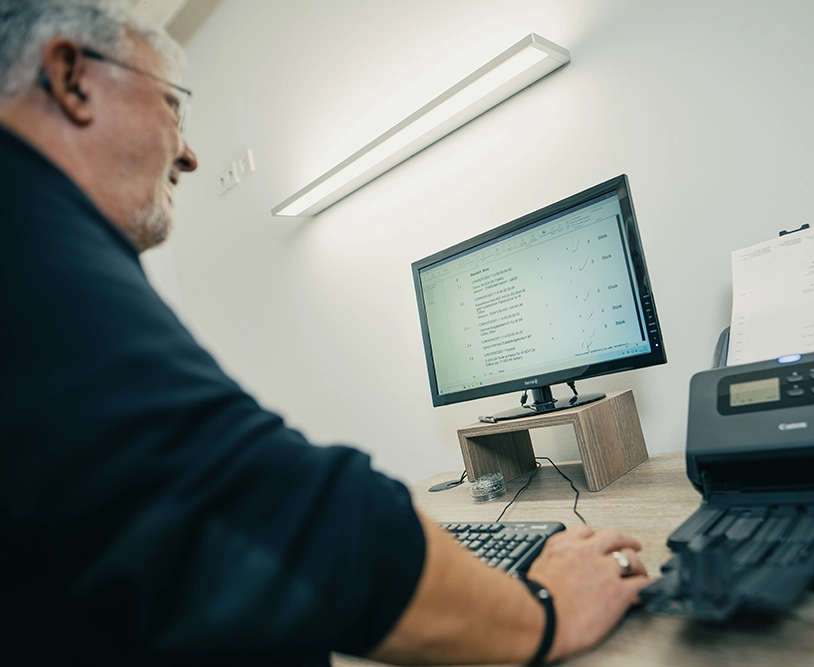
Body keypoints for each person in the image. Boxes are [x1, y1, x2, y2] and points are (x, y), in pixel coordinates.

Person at [0, 1, 650, 665]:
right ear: (72, 77)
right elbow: (276, 509)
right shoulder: (25, 237)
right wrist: (544, 611)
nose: (190, 154)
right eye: (173, 105)